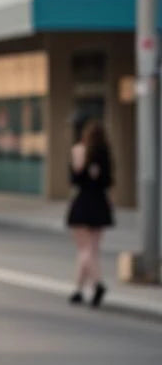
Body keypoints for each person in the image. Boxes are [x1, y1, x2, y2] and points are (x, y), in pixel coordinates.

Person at [66, 119, 114, 307]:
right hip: (100, 203)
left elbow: (75, 178)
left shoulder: (80, 151)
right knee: (92, 250)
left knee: (84, 250)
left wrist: (80, 163)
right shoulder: (105, 154)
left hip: (84, 203)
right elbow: (109, 182)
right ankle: (78, 290)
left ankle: (97, 283)